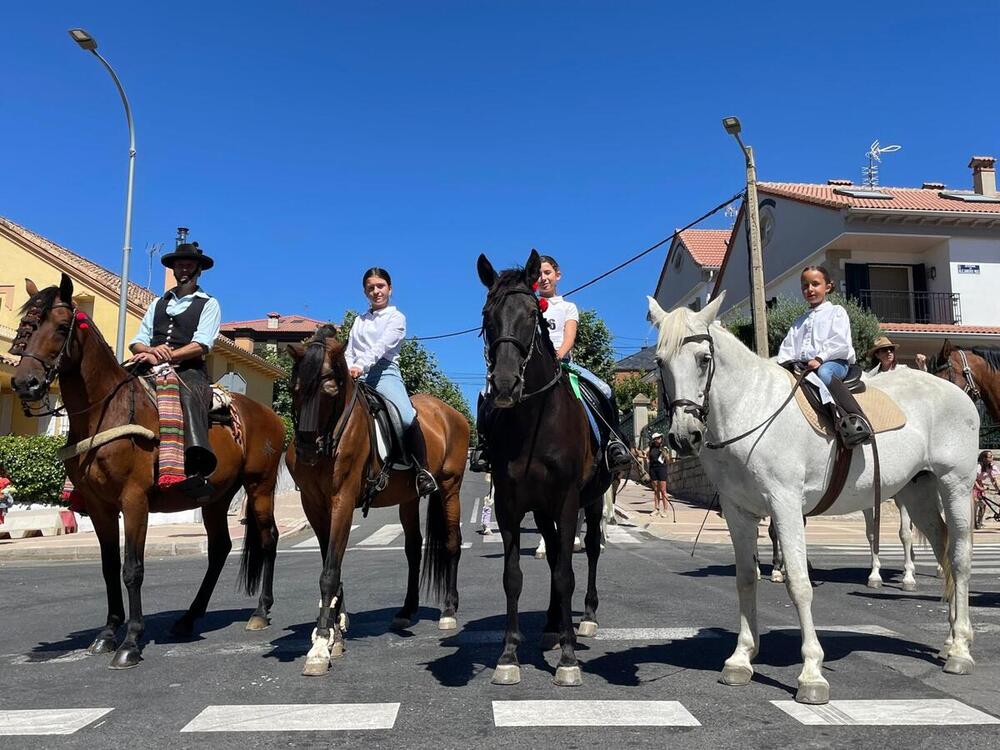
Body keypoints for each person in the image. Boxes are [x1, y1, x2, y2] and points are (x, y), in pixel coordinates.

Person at [471, 255, 632, 473]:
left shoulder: (568, 307)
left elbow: (569, 337)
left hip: (562, 364)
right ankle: (484, 447)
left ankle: (613, 441)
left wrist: (557, 356)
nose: (544, 278)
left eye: (548, 273)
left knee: (604, 389)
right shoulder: (524, 302)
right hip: (527, 366)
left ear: (558, 275)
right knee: (484, 393)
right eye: (540, 274)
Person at [129, 239, 221, 499]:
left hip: (188, 370)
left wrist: (168, 356)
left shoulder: (209, 303)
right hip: (148, 365)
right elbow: (137, 342)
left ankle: (196, 468)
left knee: (190, 397)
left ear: (197, 270)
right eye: (179, 265)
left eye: (188, 265)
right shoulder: (157, 303)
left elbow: (202, 344)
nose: (182, 269)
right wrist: (149, 352)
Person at [344, 267, 438, 497]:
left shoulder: (396, 317)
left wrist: (360, 366)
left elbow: (381, 347)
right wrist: (348, 369)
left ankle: (422, 471)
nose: (376, 291)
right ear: (365, 292)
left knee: (405, 415)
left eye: (380, 286)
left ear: (390, 288)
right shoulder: (359, 321)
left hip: (383, 372)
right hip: (355, 374)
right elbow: (350, 349)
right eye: (370, 288)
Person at [777, 265, 872, 446]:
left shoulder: (836, 312)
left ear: (827, 287)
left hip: (834, 362)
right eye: (805, 286)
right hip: (806, 366)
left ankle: (856, 420)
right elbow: (787, 347)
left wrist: (820, 359)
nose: (810, 289)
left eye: (815, 284)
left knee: (825, 374)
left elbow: (840, 341)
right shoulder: (799, 321)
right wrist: (782, 364)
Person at [647, 433, 672, 520]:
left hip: (661, 469)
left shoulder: (664, 448)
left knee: (663, 490)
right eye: (656, 438)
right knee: (656, 490)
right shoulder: (651, 447)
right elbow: (647, 456)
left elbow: (668, 460)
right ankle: (656, 509)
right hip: (653, 469)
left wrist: (665, 454)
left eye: (659, 438)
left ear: (661, 438)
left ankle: (665, 510)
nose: (657, 439)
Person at [973, 450, 1000, 530]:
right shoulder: (978, 466)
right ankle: (973, 523)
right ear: (984, 458)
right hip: (972, 485)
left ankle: (979, 523)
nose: (992, 458)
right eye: (990, 456)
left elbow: (994, 480)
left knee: (983, 505)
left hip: (980, 485)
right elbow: (973, 478)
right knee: (975, 504)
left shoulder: (990, 467)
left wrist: (998, 490)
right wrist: (979, 487)